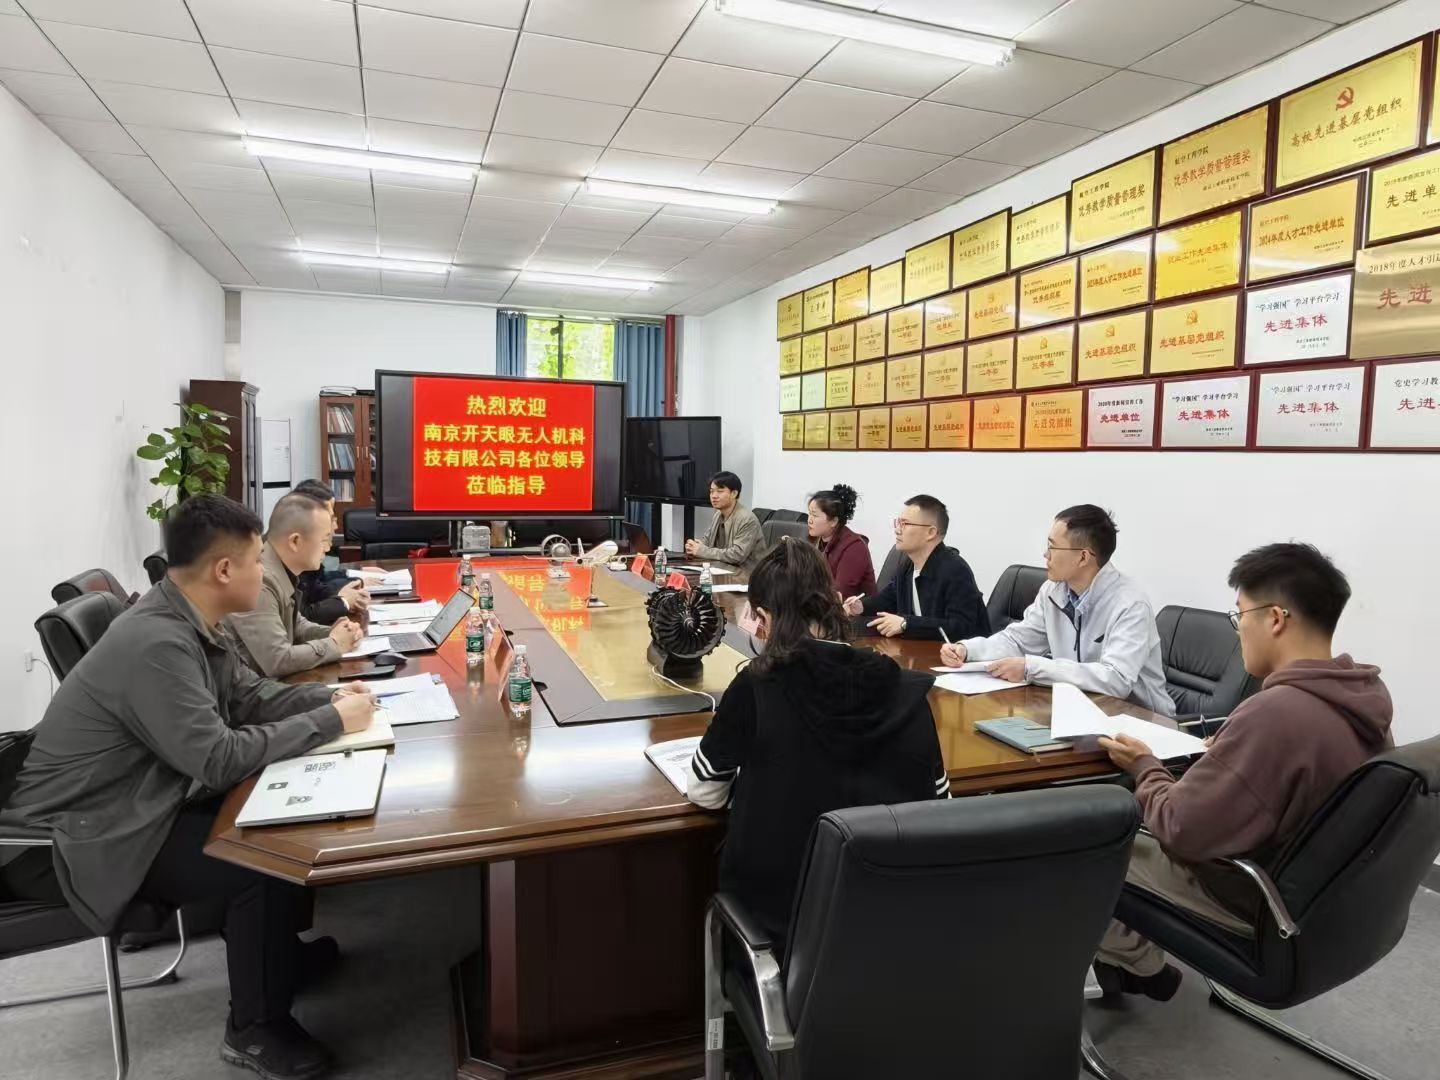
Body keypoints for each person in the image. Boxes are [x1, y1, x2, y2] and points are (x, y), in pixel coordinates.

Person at [0, 495, 378, 1079]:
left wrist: (328, 698)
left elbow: (246, 697)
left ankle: (279, 960)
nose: (263, 571)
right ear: (224, 570)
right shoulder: (156, 643)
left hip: (133, 803)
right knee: (262, 858)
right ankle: (253, 1028)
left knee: (276, 822)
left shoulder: (189, 618)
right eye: (255, 560)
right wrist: (329, 722)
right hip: (73, 840)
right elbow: (218, 758)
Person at [1090, 542, 1392, 1000]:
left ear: (1275, 619)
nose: (1238, 631)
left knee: (1076, 846)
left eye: (1240, 615)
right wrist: (1229, 754)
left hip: (1249, 899)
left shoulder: (1277, 713)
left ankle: (1137, 961)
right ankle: (1133, 961)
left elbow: (1179, 828)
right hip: (1328, 907)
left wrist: (1144, 765)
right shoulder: (1362, 698)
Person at [686, 538, 950, 948]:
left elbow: (705, 791)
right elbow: (938, 805)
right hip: (893, 927)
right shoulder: (907, 689)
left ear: (765, 617)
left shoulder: (757, 685)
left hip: (781, 929)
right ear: (833, 605)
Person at [939, 504, 1174, 716]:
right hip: (1080, 711)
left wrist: (1031, 667)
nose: (1045, 555)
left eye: (1052, 547)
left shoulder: (1130, 605)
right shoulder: (1054, 590)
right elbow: (1018, 641)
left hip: (1142, 722)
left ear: (1083, 557)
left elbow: (1115, 680)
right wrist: (968, 650)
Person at [226, 494, 364, 677]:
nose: (328, 548)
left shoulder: (282, 572)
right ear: (295, 541)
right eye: (324, 540)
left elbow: (296, 625)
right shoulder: (261, 579)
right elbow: (278, 660)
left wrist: (334, 633)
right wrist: (335, 644)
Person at [841, 494, 988, 640]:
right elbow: (887, 600)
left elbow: (961, 627)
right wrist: (862, 607)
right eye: (898, 523)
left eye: (905, 524)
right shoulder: (908, 566)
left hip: (958, 653)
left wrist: (906, 624)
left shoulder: (955, 570)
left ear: (931, 532)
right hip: (920, 649)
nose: (897, 530)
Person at [290, 480, 369, 626]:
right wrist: (343, 602)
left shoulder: (308, 547)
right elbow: (303, 615)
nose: (335, 525)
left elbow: (316, 588)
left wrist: (348, 593)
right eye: (331, 517)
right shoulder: (291, 554)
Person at [685, 470, 764, 573]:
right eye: (711, 491)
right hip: (722, 570)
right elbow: (707, 541)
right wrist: (695, 545)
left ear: (734, 493)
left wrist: (701, 550)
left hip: (746, 574)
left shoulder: (747, 519)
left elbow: (737, 555)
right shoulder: (718, 514)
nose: (714, 496)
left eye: (720, 491)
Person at [807, 483, 876, 599]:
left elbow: (840, 594)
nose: (809, 520)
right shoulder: (816, 540)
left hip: (852, 609)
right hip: (822, 604)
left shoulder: (854, 547)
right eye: (809, 513)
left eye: (814, 515)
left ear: (834, 521)